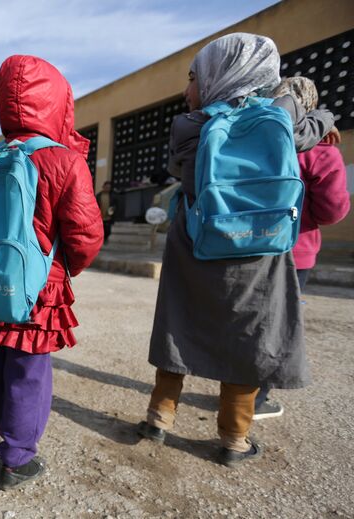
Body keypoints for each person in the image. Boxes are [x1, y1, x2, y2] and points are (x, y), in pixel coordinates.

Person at [136, 33, 336, 467]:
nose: (187, 89)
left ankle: (159, 417)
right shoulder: (282, 115)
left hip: (197, 241)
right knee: (250, 335)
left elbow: (175, 166)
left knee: (178, 322)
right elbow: (309, 129)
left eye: (193, 78)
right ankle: (233, 440)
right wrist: (324, 115)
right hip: (259, 248)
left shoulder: (189, 124)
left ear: (216, 76)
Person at [0, 55, 104, 490]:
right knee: (28, 373)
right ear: (58, 102)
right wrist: (63, 269)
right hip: (36, 288)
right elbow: (86, 233)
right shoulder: (63, 160)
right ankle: (16, 460)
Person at [251, 76, 351, 420]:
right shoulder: (321, 152)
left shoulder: (253, 139)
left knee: (248, 319)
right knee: (277, 325)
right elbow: (332, 211)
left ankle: (233, 390)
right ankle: (254, 399)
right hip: (296, 251)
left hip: (247, 244)